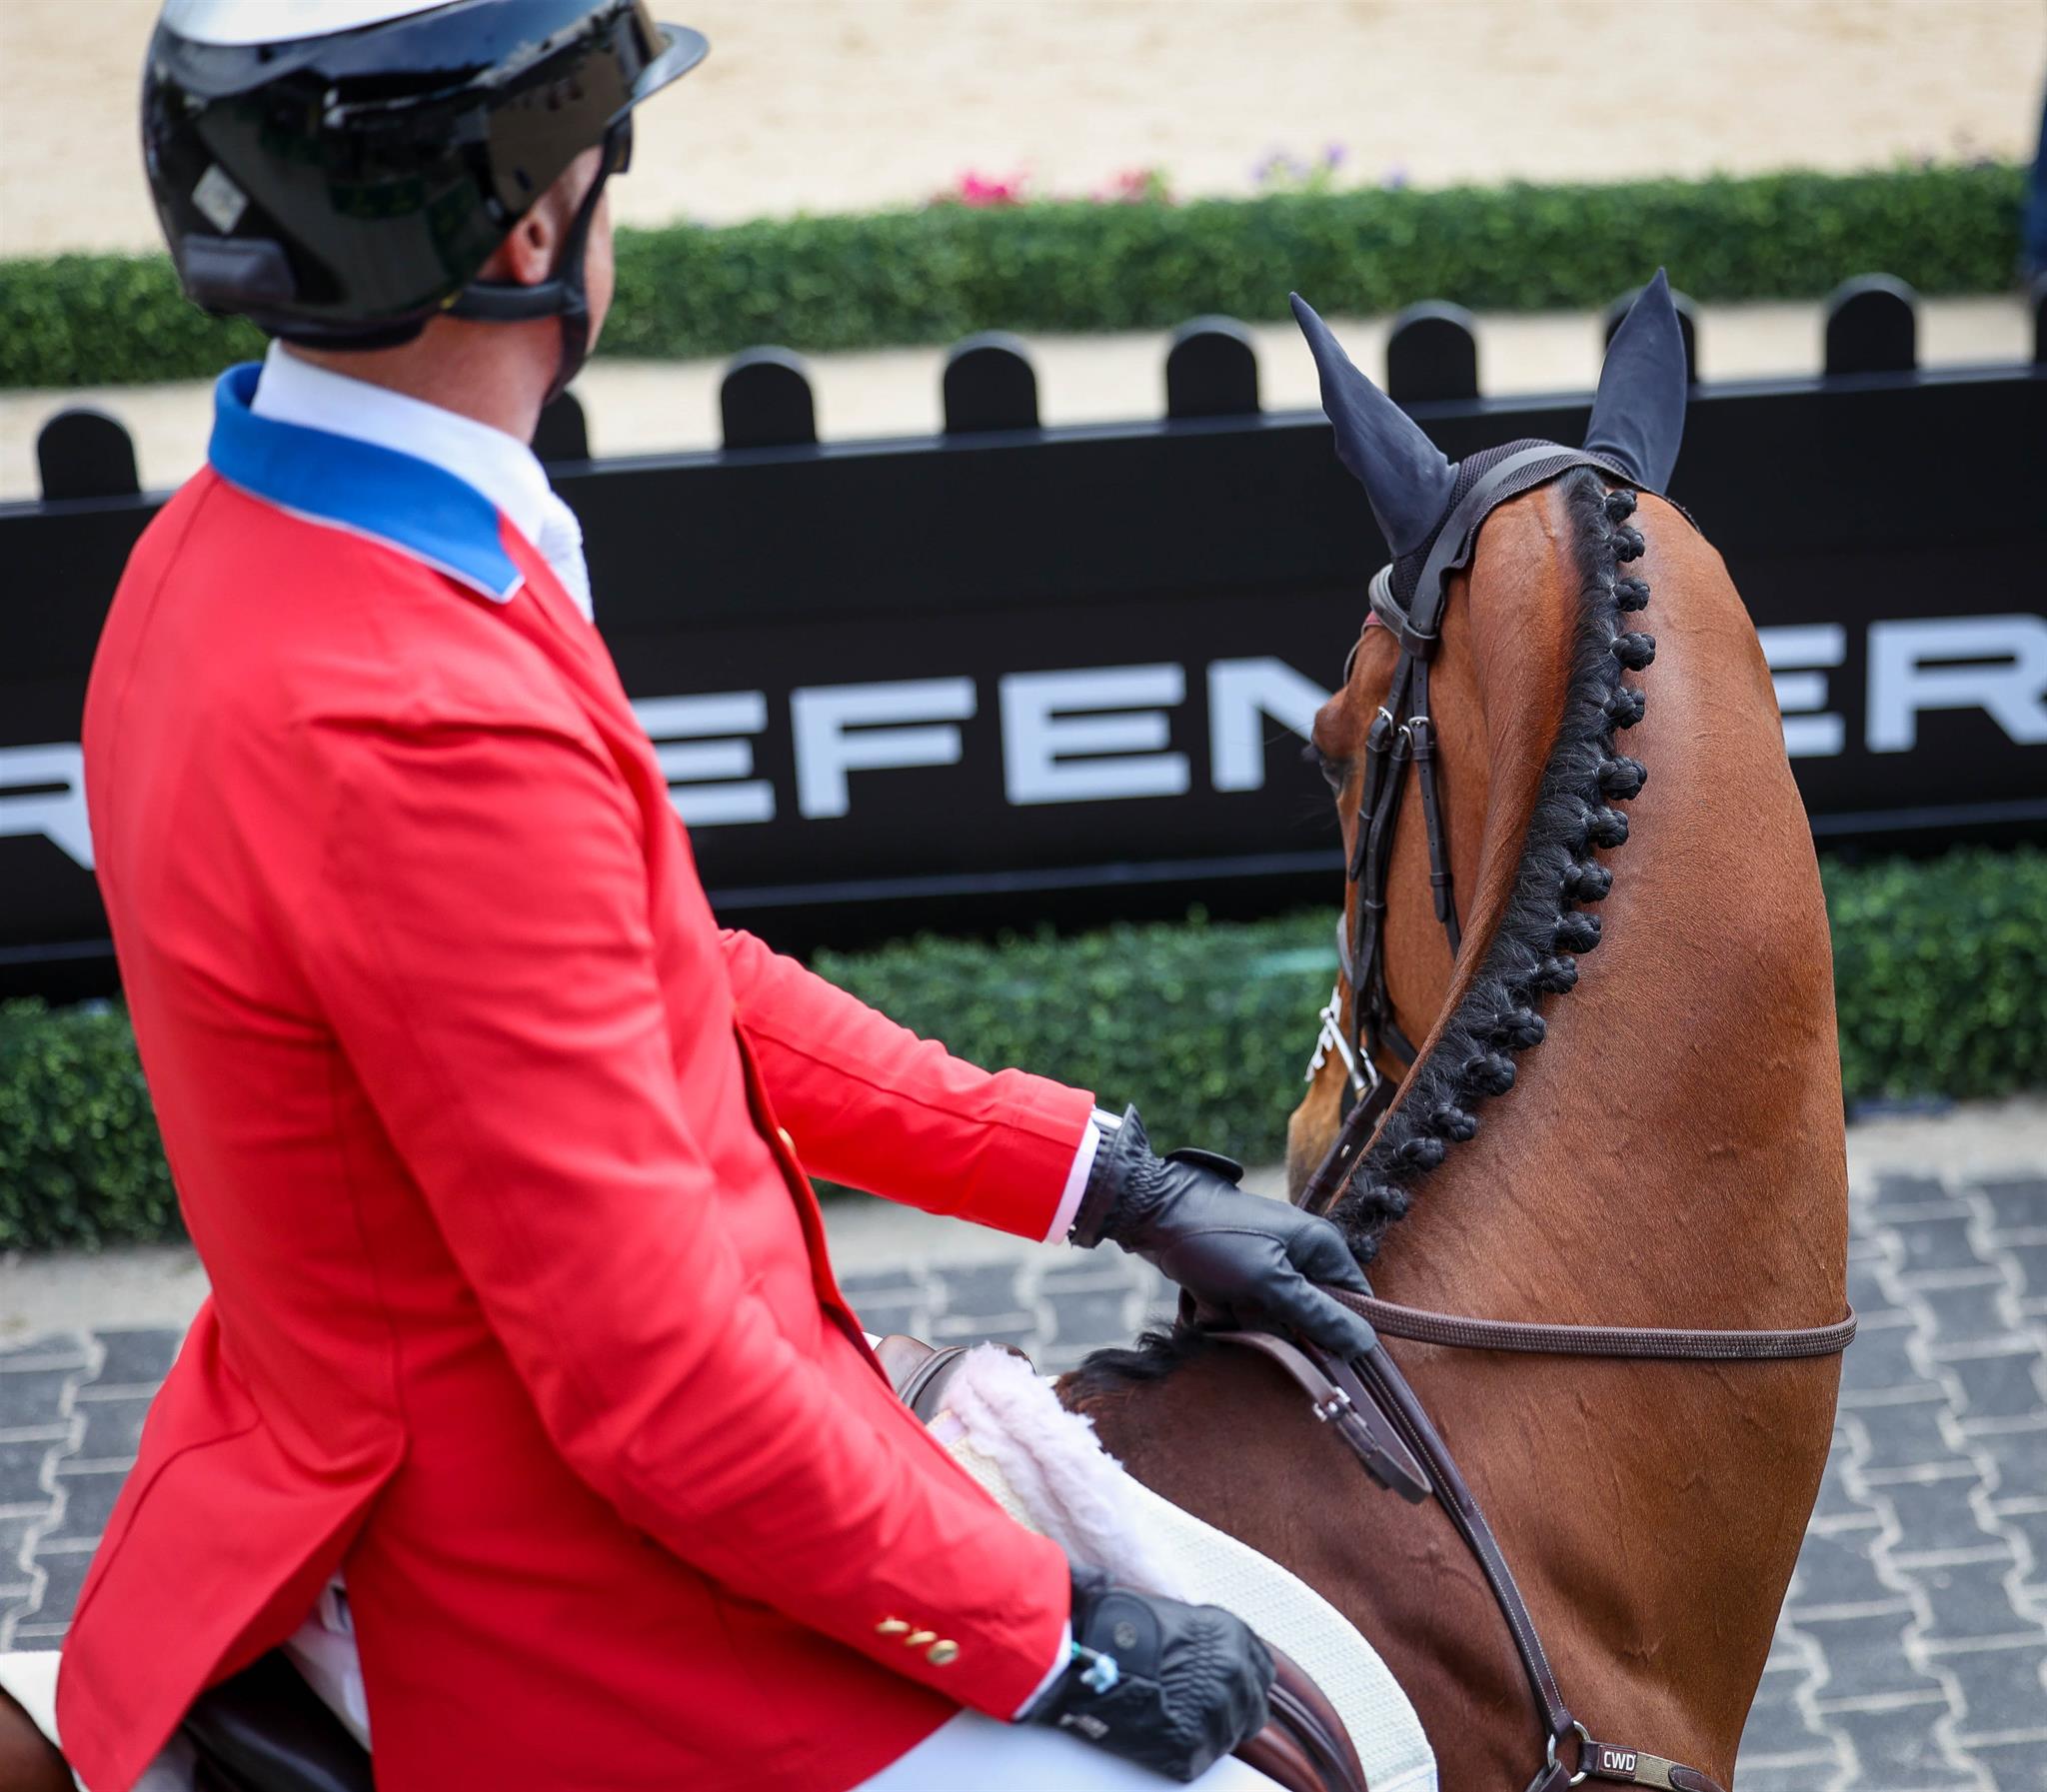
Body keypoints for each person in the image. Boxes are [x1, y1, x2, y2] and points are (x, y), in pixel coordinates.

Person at [58, 5, 1381, 1789]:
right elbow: (657, 1390)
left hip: (357, 1433)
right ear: (535, 233)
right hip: (547, 1593)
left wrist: (1101, 1172)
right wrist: (1049, 1630)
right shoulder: (418, 706)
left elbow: (660, 974)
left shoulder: (215, 545)